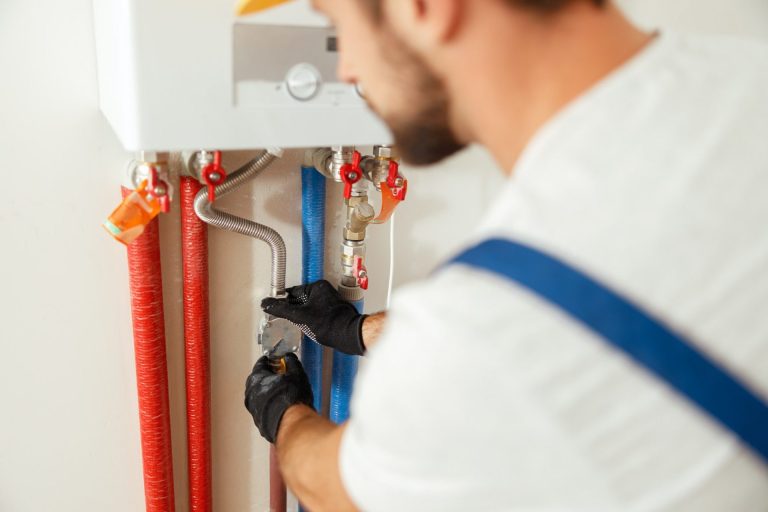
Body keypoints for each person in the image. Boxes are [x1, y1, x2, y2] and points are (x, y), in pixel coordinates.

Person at [244, 0, 768, 510]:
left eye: (339, 24)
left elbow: (341, 493)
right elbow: (631, 296)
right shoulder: (748, 83)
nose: (347, 68)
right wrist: (358, 331)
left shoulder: (480, 341)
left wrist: (283, 412)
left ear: (424, 7)